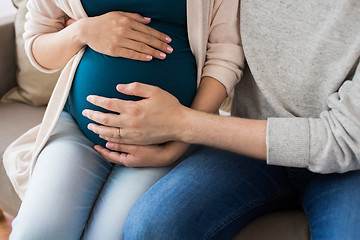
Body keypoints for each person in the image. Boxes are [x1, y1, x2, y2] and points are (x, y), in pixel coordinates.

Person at [81, 1, 360, 239]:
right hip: (247, 145)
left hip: (346, 167)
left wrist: (182, 124)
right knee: (151, 227)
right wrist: (80, 28)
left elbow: (344, 140)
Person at [4, 0, 243, 239]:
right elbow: (37, 43)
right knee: (37, 232)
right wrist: (82, 31)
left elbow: (225, 54)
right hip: (78, 130)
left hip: (162, 142)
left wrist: (179, 141)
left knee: (109, 235)